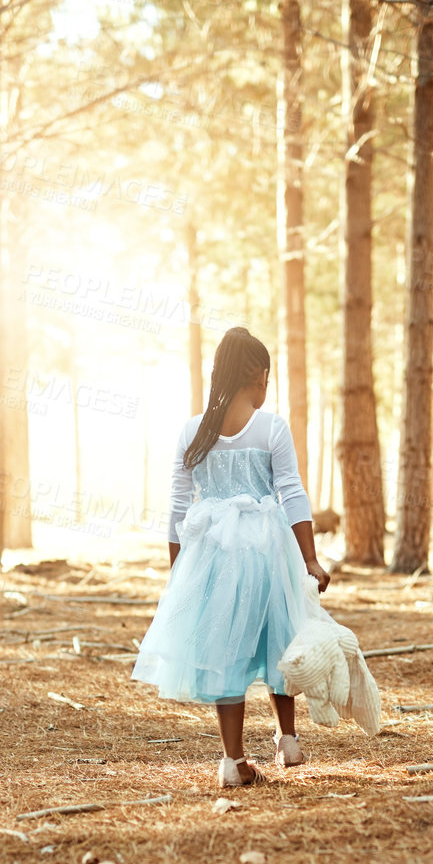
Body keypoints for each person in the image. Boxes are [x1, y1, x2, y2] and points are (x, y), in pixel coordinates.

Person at [132, 326, 329, 786]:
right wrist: (310, 559)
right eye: (267, 378)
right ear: (258, 376)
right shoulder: (271, 427)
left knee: (226, 647)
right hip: (266, 550)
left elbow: (179, 508)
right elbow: (292, 495)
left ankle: (233, 761)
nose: (267, 387)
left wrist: (178, 569)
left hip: (214, 556)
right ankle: (289, 739)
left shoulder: (192, 431)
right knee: (281, 636)